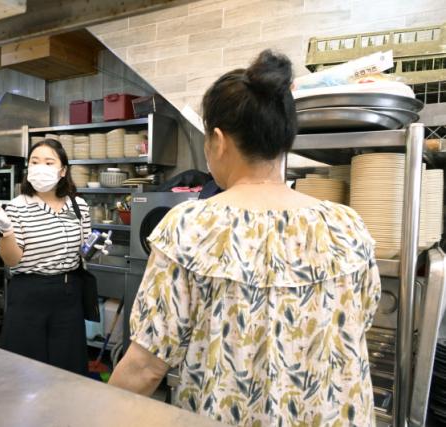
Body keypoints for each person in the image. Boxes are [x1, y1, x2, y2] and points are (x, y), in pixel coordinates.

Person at [109, 50, 381, 426]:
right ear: (285, 140)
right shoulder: (347, 226)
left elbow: (145, 367)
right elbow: (359, 322)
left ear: (218, 141)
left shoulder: (190, 227)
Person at [0, 139, 109, 375]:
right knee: (25, 370)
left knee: (68, 369)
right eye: (35, 162)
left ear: (63, 171)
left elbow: (83, 253)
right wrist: (6, 231)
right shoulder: (17, 206)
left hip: (68, 294)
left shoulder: (78, 205)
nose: (40, 167)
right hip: (29, 294)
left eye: (49, 162)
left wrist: (95, 248)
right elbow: (11, 260)